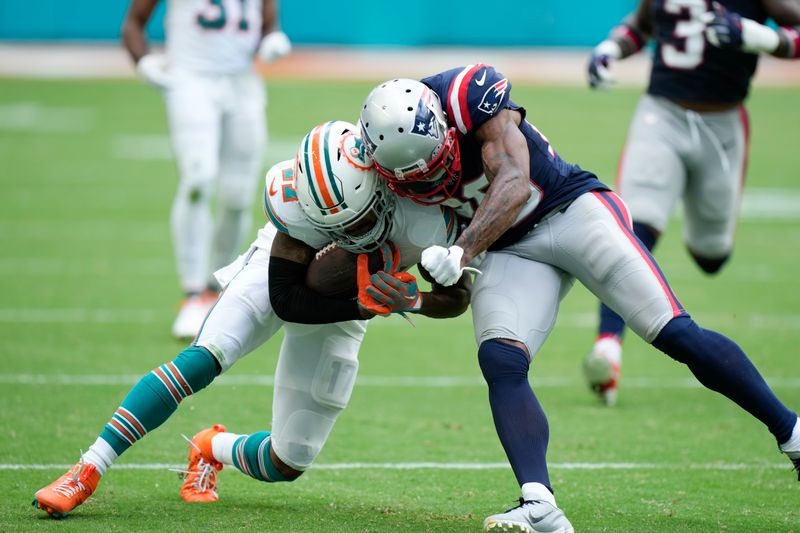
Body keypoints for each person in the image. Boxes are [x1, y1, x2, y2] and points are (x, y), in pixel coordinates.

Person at [358, 67, 800, 533]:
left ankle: (792, 434)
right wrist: (417, 298)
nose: (428, 180)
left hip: (572, 210)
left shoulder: (468, 98)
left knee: (674, 332)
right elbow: (453, 296)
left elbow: (515, 183)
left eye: (433, 163)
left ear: (443, 127)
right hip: (508, 249)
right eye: (411, 177)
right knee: (500, 358)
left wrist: (463, 250)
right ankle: (539, 504)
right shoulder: (377, 165)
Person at [31, 121, 470, 518]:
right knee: (205, 357)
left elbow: (457, 297)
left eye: (359, 222)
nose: (353, 237)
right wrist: (361, 306)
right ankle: (88, 467)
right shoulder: (298, 199)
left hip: (354, 296)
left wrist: (415, 301)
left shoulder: (425, 207)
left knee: (289, 461)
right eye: (338, 228)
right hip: (292, 280)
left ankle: (211, 448)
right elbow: (286, 298)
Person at [583, 0, 800, 405]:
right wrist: (611, 48)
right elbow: (642, 24)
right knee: (633, 227)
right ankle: (607, 345)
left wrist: (761, 37)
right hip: (661, 117)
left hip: (723, 126)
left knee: (711, 254)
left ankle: (689, 207)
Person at [121, 0, 292, 339]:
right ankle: (192, 294)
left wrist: (272, 39)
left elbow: (266, 25)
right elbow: (133, 24)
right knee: (197, 179)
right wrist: (142, 61)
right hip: (191, 79)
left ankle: (216, 290)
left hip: (242, 82)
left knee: (239, 195)